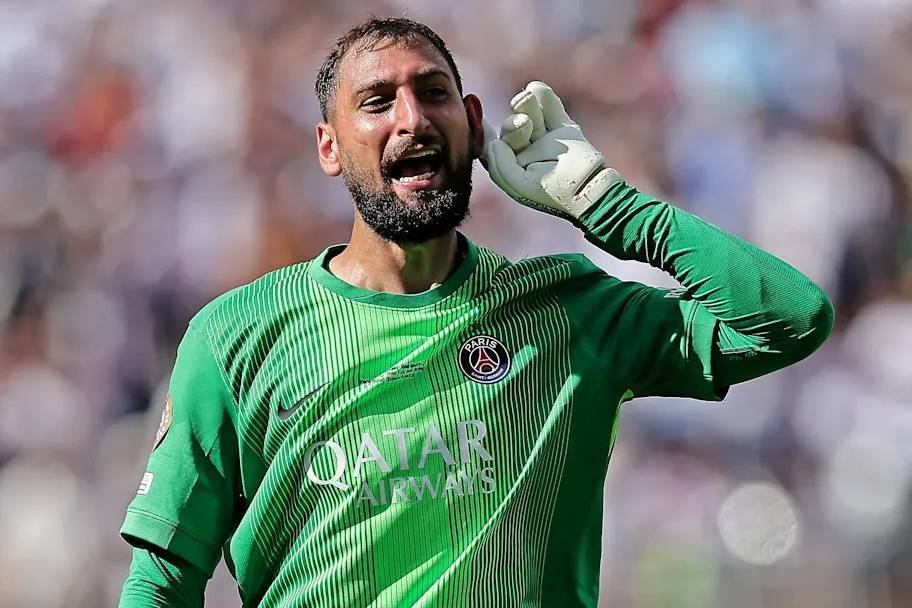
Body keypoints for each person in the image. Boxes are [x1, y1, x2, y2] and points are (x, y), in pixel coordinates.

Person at [117, 16, 834, 608]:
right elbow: (162, 582)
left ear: (472, 123)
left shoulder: (567, 313)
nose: (411, 118)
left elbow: (790, 319)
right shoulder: (236, 336)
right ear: (329, 148)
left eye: (433, 93)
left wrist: (607, 205)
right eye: (377, 101)